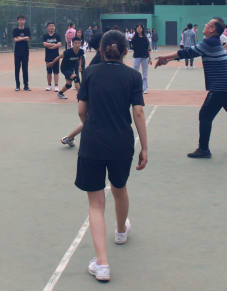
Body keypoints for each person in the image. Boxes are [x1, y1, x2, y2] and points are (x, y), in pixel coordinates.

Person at [75, 30, 148, 282]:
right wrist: (144, 147)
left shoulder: (90, 73)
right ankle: (120, 231)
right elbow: (138, 113)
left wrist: (91, 126)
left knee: (96, 203)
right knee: (120, 188)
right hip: (121, 144)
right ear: (126, 51)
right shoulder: (133, 76)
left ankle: (102, 264)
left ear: (101, 50)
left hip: (93, 143)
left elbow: (81, 110)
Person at [155, 18, 227, 158]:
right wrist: (168, 59)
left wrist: (164, 57)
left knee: (205, 115)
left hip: (221, 86)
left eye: (207, 24)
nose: (205, 25)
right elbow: (191, 53)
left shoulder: (209, 42)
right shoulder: (213, 41)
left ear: (212, 29)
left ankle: (204, 149)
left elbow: (187, 52)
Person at [61, 32, 105, 148]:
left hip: (96, 93)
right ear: (101, 43)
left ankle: (69, 137)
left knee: (92, 119)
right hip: (96, 94)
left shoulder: (102, 57)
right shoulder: (100, 58)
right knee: (92, 120)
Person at [132, 24, 152, 94]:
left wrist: (150, 58)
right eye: (138, 27)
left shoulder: (145, 38)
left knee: (145, 73)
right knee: (135, 73)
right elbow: (133, 48)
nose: (139, 29)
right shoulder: (134, 39)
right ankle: (135, 88)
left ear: (142, 29)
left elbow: (148, 48)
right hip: (137, 57)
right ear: (136, 29)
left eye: (140, 28)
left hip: (145, 57)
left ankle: (144, 88)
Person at [13, 15, 31, 91]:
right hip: (17, 52)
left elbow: (28, 39)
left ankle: (26, 86)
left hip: (25, 52)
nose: (22, 21)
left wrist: (19, 38)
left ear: (24, 21)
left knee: (25, 69)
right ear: (18, 21)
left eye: (23, 20)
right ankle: (17, 86)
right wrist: (24, 38)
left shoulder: (27, 29)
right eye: (20, 20)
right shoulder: (15, 30)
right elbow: (15, 40)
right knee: (17, 69)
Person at [43, 22, 63, 92]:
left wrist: (50, 46)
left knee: (56, 72)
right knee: (49, 72)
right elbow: (45, 44)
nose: (51, 27)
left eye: (52, 26)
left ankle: (56, 86)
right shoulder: (45, 36)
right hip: (48, 56)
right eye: (50, 26)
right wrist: (54, 45)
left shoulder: (57, 36)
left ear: (54, 27)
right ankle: (49, 85)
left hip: (56, 56)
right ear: (47, 28)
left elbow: (59, 44)